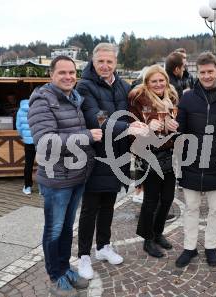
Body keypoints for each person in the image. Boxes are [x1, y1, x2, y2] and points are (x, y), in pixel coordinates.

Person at [28, 55, 101, 297]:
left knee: (68, 228)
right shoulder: (43, 101)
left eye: (72, 72)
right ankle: (55, 275)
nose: (69, 77)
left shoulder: (74, 99)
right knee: (54, 229)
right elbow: (47, 142)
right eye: (62, 73)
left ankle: (64, 268)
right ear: (51, 75)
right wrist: (87, 137)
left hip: (76, 176)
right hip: (56, 179)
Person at [76, 43, 145, 280]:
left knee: (108, 206)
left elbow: (137, 108)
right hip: (96, 155)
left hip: (119, 155)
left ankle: (103, 247)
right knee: (90, 208)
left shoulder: (124, 86)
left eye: (109, 61)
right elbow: (98, 118)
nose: (105, 66)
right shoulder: (85, 86)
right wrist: (129, 127)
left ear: (116, 63)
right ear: (93, 62)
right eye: (100, 61)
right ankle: (83, 255)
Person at [174, 52, 216, 268]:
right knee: (191, 208)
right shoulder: (188, 97)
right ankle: (189, 247)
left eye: (211, 71)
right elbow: (180, 129)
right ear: (197, 73)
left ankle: (211, 246)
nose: (207, 76)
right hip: (192, 162)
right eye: (203, 72)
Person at [128, 64, 179, 258]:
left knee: (167, 199)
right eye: (154, 81)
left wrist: (174, 128)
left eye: (161, 80)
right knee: (151, 200)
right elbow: (132, 133)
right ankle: (147, 239)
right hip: (147, 154)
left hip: (166, 155)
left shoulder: (172, 98)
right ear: (147, 83)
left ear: (166, 81)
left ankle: (158, 233)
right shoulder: (138, 100)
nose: (158, 84)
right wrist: (148, 127)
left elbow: (174, 129)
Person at [16, 99, 35, 195]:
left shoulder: (21, 109)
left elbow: (18, 126)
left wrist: (24, 136)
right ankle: (43, 188)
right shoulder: (39, 107)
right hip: (40, 140)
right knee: (43, 164)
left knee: (28, 164)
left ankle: (27, 187)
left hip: (28, 142)